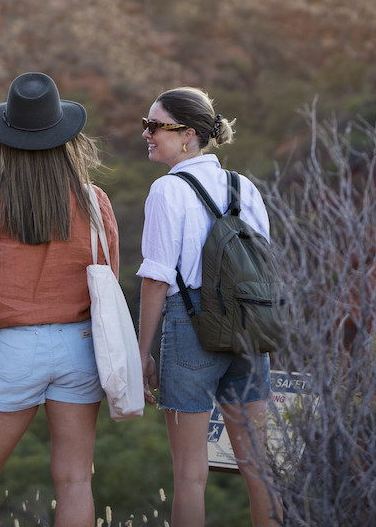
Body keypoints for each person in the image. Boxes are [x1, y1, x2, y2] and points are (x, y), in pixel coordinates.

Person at [0, 71, 119, 527]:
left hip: (15, 346)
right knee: (74, 480)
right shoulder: (93, 200)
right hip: (80, 344)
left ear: (3, 139)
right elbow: (108, 281)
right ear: (65, 137)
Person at [136, 87, 282, 527]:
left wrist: (141, 352)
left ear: (188, 135)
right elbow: (265, 264)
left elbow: (157, 279)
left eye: (154, 126)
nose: (146, 133)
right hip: (249, 328)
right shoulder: (245, 187)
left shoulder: (167, 190)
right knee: (259, 465)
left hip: (191, 327)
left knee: (189, 475)